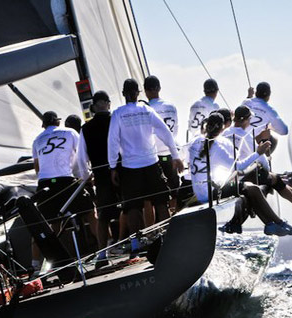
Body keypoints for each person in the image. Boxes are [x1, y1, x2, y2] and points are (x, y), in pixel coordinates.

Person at [188, 112, 292, 236]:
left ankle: (271, 225)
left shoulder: (195, 142)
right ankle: (278, 223)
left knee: (249, 189)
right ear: (223, 128)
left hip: (200, 191)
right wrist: (258, 153)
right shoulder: (218, 147)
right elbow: (239, 166)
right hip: (210, 193)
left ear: (207, 125)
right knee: (251, 188)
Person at [108, 79, 184, 254]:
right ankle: (167, 235)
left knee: (133, 206)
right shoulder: (147, 110)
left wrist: (113, 166)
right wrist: (175, 156)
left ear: (123, 94)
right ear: (138, 93)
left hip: (129, 167)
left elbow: (112, 141)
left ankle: (136, 244)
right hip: (151, 163)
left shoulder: (118, 114)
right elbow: (165, 132)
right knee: (160, 201)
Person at [32, 111, 97, 273]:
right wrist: (84, 176)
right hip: (65, 181)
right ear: (58, 122)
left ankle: (35, 266)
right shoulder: (70, 132)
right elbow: (81, 156)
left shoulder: (37, 140)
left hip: (45, 183)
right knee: (89, 211)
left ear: (43, 125)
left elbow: (37, 168)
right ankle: (107, 246)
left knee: (44, 224)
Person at [222, 105, 292, 216]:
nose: (249, 122)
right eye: (249, 119)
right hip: (237, 177)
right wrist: (268, 171)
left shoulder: (225, 133)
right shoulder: (245, 137)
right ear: (245, 121)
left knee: (271, 178)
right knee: (273, 179)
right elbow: (261, 158)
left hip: (225, 176)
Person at [77, 91, 122, 267]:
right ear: (108, 104)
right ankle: (133, 244)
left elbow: (81, 158)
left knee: (103, 215)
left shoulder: (85, 128)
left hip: (101, 175)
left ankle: (102, 253)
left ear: (94, 107)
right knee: (128, 208)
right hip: (121, 170)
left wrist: (85, 177)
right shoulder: (116, 120)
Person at [144, 75, 181, 210]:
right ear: (159, 88)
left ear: (145, 91)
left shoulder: (146, 109)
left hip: (154, 156)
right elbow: (176, 130)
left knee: (159, 193)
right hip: (171, 153)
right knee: (174, 188)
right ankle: (175, 213)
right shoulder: (171, 106)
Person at [242, 81, 288, 154]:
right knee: (271, 137)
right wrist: (268, 126)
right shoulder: (270, 111)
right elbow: (284, 131)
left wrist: (249, 95)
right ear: (268, 96)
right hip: (249, 146)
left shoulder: (246, 102)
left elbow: (242, 109)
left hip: (236, 139)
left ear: (256, 93)